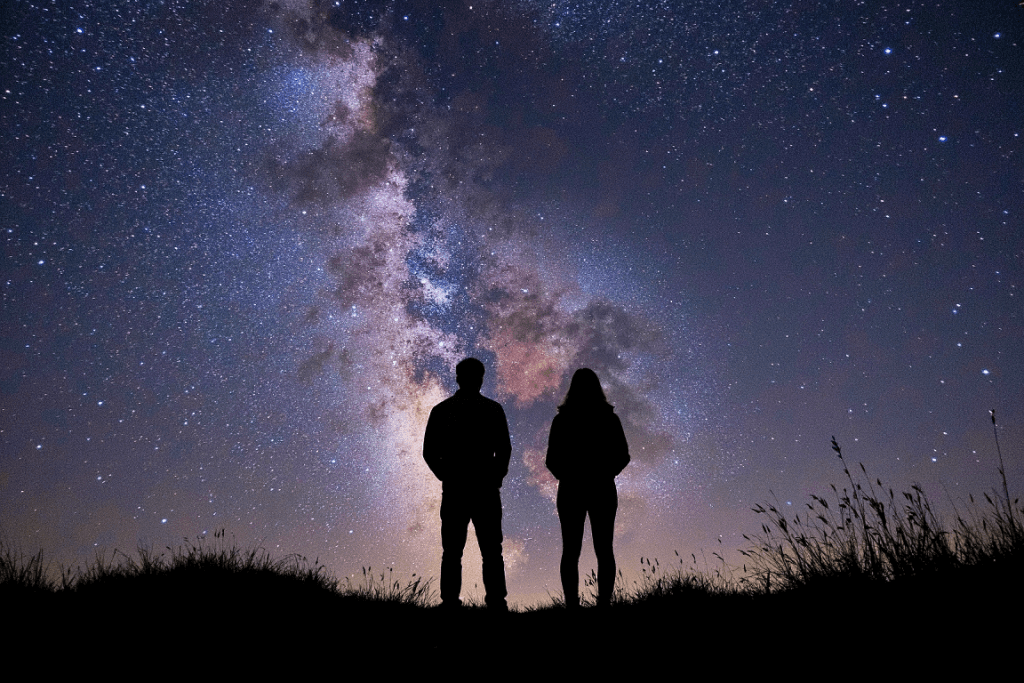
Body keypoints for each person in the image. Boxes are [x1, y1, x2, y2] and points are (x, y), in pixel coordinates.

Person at [423, 357, 512, 610]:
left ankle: (453, 602)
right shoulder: (491, 410)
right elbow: (503, 449)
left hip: (464, 488)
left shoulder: (444, 410)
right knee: (485, 550)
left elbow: (430, 451)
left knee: (458, 550)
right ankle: (494, 602)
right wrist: (495, 476)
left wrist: (446, 474)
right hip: (477, 487)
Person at [546, 368, 630, 608]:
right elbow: (623, 456)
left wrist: (569, 476)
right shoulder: (608, 418)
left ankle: (573, 605)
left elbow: (551, 460)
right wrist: (604, 474)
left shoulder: (563, 419)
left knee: (572, 551)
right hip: (600, 488)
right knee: (603, 550)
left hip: (573, 489)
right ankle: (602, 605)